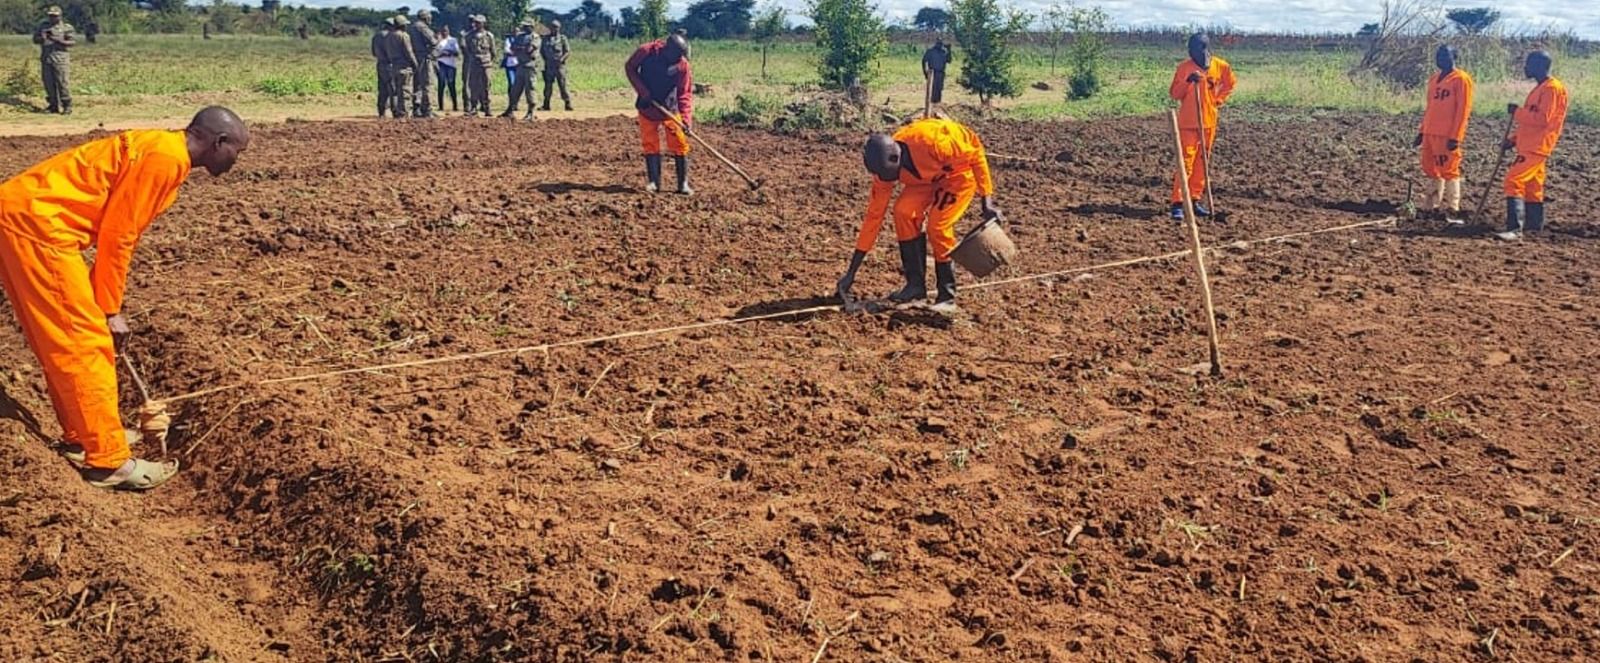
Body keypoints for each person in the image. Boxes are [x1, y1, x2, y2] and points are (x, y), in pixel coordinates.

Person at [0, 107, 249, 491]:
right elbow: (119, 236)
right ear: (219, 143)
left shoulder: (162, 149)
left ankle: (85, 436)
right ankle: (108, 462)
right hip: (39, 229)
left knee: (64, 341)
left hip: (24, 220)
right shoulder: (166, 158)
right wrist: (110, 310)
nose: (236, 162)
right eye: (237, 152)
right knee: (84, 342)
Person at [835, 118, 1000, 314]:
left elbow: (976, 154)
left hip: (957, 176)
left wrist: (986, 200)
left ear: (896, 159)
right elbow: (873, 218)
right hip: (923, 180)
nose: (886, 181)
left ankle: (947, 296)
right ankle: (915, 287)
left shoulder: (935, 142)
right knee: (903, 212)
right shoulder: (884, 169)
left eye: (888, 176)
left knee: (937, 227)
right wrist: (851, 272)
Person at [1497, 50, 1569, 241]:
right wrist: (1513, 140)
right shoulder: (1540, 88)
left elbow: (1542, 119)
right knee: (1532, 187)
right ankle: (1533, 227)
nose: (1525, 67)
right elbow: (1531, 123)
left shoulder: (1552, 89)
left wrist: (1517, 112)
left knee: (1513, 180)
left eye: (1528, 64)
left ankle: (1514, 229)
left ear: (1538, 66)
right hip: (1530, 145)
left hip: (1537, 146)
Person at [1168, 33, 1236, 220]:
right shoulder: (1184, 68)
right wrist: (1188, 81)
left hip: (1208, 122)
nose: (1190, 52)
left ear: (1204, 49)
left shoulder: (1220, 66)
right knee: (1186, 162)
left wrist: (1218, 99)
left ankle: (1195, 198)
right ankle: (1178, 203)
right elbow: (1174, 93)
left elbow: (1230, 83)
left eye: (1194, 48)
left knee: (1202, 162)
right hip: (1188, 123)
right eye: (1189, 49)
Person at [625, 34, 694, 195]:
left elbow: (684, 93)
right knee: (650, 144)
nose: (679, 59)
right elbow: (630, 68)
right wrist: (642, 91)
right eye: (676, 55)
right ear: (667, 50)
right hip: (647, 107)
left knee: (680, 143)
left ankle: (682, 184)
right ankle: (654, 183)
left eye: (681, 56)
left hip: (670, 109)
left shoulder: (682, 66)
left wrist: (686, 119)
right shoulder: (646, 52)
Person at [1414, 44, 1474, 222]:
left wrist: (1456, 136)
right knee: (1430, 167)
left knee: (1449, 168)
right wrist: (1422, 131)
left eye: (1444, 56)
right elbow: (1430, 108)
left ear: (1454, 57)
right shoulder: (1434, 79)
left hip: (1447, 134)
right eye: (1438, 56)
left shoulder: (1461, 79)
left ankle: (1452, 207)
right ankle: (1432, 204)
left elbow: (1463, 110)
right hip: (1430, 131)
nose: (1440, 59)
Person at [33, 6, 75, 115]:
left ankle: (67, 105)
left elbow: (72, 42)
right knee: (48, 83)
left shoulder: (66, 27)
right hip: (46, 58)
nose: (52, 18)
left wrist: (58, 40)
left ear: (60, 16)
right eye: (50, 15)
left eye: (54, 16)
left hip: (60, 59)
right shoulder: (43, 26)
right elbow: (35, 39)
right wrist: (42, 38)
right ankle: (53, 105)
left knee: (62, 83)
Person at [502, 19, 539, 121]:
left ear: (532, 27)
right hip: (520, 65)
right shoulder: (520, 36)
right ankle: (510, 110)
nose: (524, 28)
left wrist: (520, 48)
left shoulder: (535, 37)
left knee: (530, 89)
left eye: (527, 26)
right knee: (515, 89)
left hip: (530, 66)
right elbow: (513, 48)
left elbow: (529, 50)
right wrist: (521, 48)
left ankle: (530, 112)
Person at [381, 16, 418, 119]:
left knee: (396, 91)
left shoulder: (388, 36)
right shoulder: (403, 36)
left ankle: (397, 112)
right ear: (402, 25)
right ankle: (405, 113)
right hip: (404, 66)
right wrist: (415, 64)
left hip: (394, 66)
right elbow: (409, 52)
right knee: (405, 91)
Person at [408, 9, 441, 118]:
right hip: (425, 58)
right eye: (429, 17)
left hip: (415, 58)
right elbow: (433, 42)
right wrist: (438, 40)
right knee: (427, 84)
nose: (430, 19)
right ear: (425, 17)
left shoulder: (411, 27)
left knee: (417, 84)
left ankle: (416, 109)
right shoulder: (422, 27)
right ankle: (427, 110)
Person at [464, 15, 496, 117]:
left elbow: (493, 52)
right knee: (473, 86)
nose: (476, 24)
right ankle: (474, 107)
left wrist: (488, 61)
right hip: (474, 64)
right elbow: (467, 50)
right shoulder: (469, 36)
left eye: (479, 22)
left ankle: (487, 108)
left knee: (486, 86)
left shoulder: (489, 36)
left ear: (483, 23)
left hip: (486, 64)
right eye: (475, 22)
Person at [540, 19, 573, 111]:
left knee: (563, 85)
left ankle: (567, 103)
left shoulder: (562, 38)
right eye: (553, 27)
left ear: (559, 28)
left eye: (556, 27)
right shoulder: (545, 39)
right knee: (548, 86)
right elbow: (542, 51)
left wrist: (561, 59)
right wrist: (546, 60)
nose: (555, 29)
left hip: (559, 66)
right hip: (549, 66)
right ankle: (546, 104)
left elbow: (567, 51)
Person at [436, 26, 459, 113]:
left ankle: (455, 106)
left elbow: (457, 52)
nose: (444, 32)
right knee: (441, 85)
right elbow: (435, 52)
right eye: (443, 31)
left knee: (451, 85)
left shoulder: (453, 40)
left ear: (448, 31)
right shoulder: (438, 41)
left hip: (451, 65)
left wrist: (448, 52)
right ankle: (441, 106)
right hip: (441, 64)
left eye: (446, 31)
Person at [371, 22, 392, 118]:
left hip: (380, 64)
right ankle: (396, 111)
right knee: (393, 89)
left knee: (382, 89)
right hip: (389, 64)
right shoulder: (389, 36)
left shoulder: (376, 36)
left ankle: (381, 111)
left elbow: (373, 53)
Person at [922, 38, 951, 105]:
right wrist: (925, 72)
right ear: (936, 44)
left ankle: (937, 105)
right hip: (932, 73)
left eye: (941, 44)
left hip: (941, 73)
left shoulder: (943, 52)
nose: (940, 45)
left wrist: (949, 50)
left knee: (939, 90)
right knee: (932, 90)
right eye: (939, 43)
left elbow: (949, 61)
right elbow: (923, 61)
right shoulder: (930, 51)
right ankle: (930, 105)